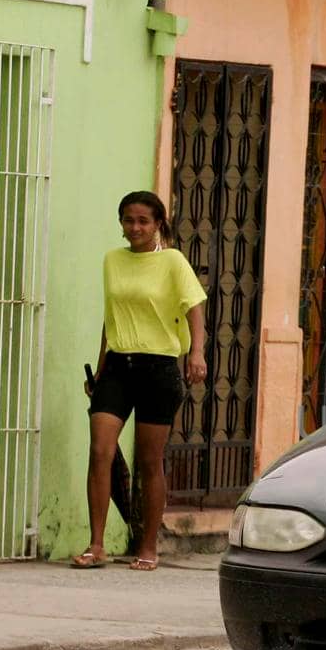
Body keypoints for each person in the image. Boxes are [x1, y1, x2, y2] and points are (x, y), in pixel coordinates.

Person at [72, 191, 207, 571]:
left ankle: (148, 545)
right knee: (101, 450)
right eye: (129, 220)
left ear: (158, 223)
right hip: (117, 366)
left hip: (159, 368)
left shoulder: (172, 262)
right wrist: (100, 370)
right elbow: (111, 316)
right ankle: (96, 545)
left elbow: (195, 309)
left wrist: (196, 352)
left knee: (150, 460)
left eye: (143, 221)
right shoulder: (112, 260)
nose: (135, 228)